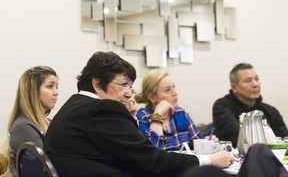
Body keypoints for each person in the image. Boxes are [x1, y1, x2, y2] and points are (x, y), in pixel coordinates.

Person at [43, 51, 234, 177]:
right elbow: (152, 161)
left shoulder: (74, 106)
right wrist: (209, 160)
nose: (128, 92)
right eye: (124, 84)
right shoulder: (101, 110)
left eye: (131, 87)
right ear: (97, 84)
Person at [135, 69, 218, 151]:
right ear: (152, 97)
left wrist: (207, 143)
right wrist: (158, 115)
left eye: (174, 87)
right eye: (167, 90)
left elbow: (196, 142)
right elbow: (152, 153)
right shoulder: (143, 117)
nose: (175, 92)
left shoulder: (180, 113)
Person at [213, 63, 288, 147]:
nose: (255, 84)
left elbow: (284, 140)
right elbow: (239, 138)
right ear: (234, 87)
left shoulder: (270, 111)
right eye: (248, 81)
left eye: (256, 79)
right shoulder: (222, 106)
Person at [6, 66, 59, 173]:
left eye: (57, 86)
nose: (56, 92)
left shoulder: (49, 122)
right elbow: (40, 170)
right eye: (50, 86)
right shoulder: (23, 127)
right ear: (33, 90)